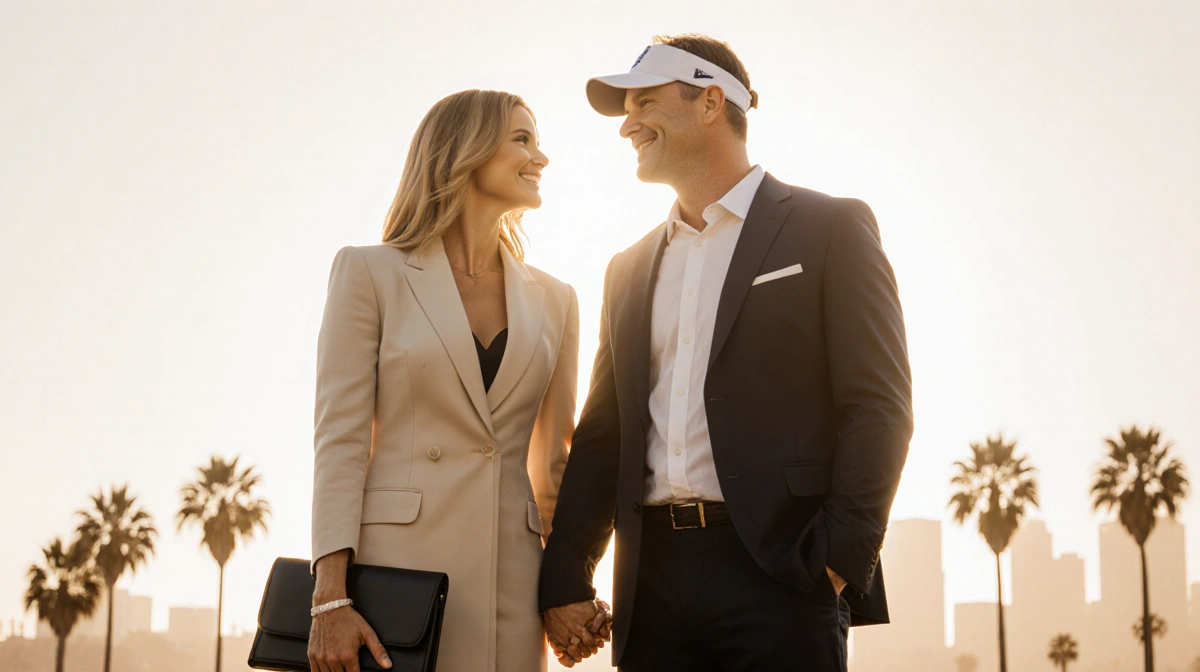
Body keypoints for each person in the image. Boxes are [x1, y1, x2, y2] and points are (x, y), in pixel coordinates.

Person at [538, 34, 914, 671]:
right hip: (649, 586)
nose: (628, 123)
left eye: (646, 103)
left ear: (711, 102)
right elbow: (606, 433)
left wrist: (836, 562)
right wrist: (568, 574)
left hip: (782, 576)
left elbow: (879, 406)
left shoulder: (831, 228)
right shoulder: (625, 269)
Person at [307, 89, 593, 672]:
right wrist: (330, 597)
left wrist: (567, 586)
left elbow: (553, 465)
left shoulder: (557, 300)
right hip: (395, 584)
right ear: (467, 149)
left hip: (511, 584)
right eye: (522, 139)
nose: (541, 158)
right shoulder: (370, 272)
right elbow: (340, 443)